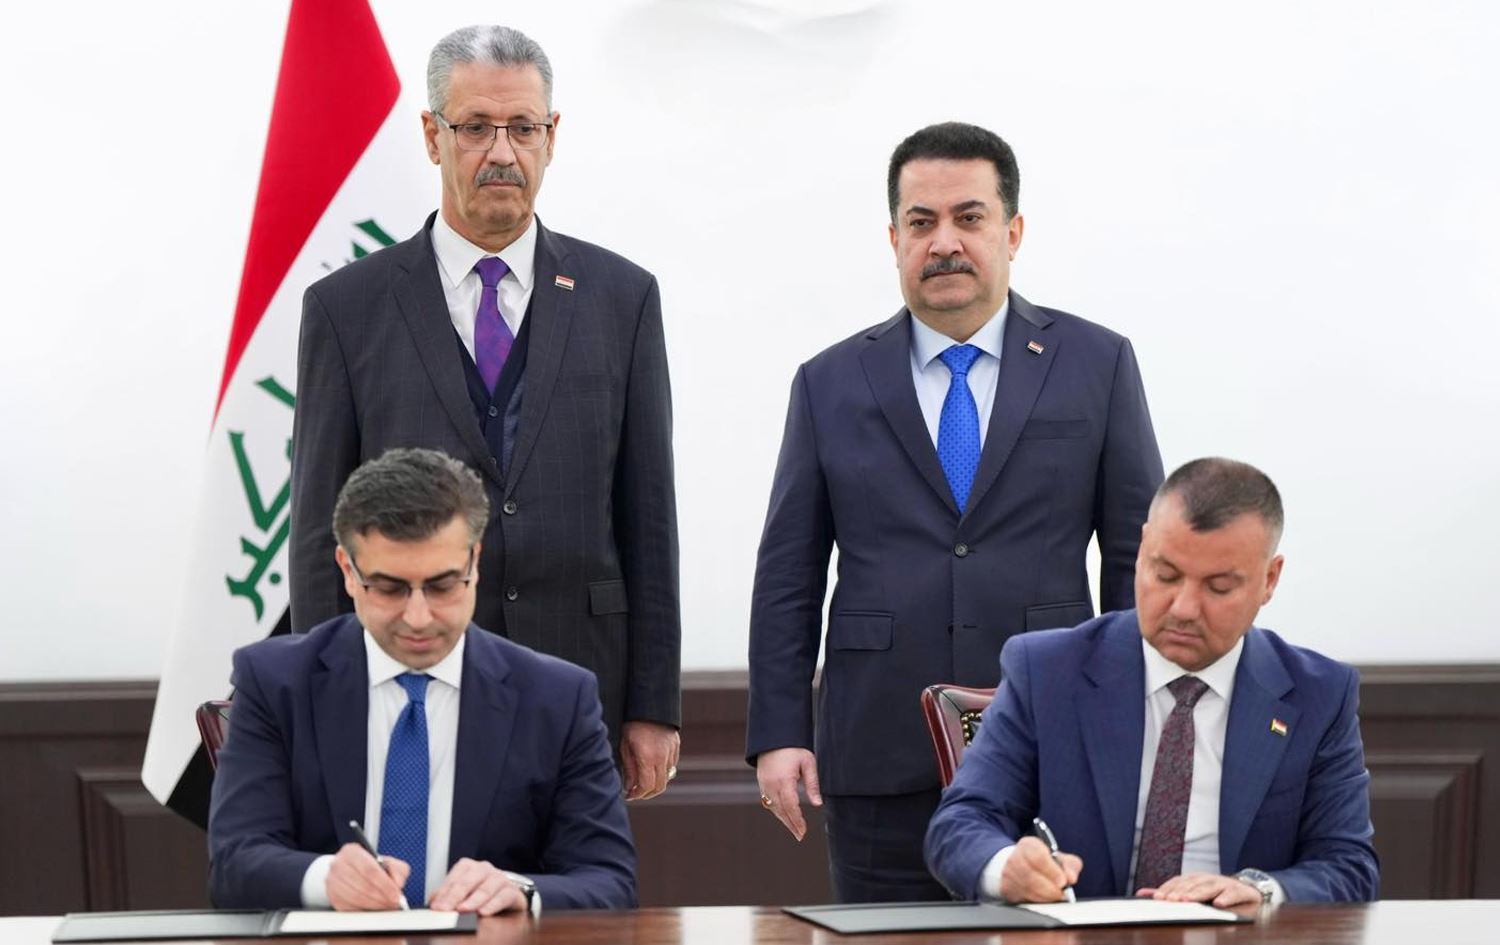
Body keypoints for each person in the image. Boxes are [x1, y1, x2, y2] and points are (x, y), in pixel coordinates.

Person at [747, 121, 1164, 902]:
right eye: (921, 221)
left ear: (1013, 231)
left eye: (969, 217)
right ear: (894, 238)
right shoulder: (829, 381)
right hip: (879, 750)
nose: (945, 242)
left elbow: (1136, 561)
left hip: (1054, 741)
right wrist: (779, 731)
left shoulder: (1097, 364)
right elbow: (788, 574)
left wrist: (1133, 720)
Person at [289, 25, 681, 801]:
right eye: (475, 127)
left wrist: (652, 704)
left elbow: (649, 517)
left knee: (571, 882)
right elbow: (316, 533)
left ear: (551, 137)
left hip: (581, 691)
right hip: (405, 689)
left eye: (522, 128)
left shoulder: (624, 299)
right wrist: (327, 699)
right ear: (432, 135)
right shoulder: (346, 310)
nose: (502, 152)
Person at [925, 458, 1380, 906]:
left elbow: (1348, 866)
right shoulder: (1046, 670)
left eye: (1218, 587)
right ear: (1143, 550)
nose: (1183, 608)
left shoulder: (1318, 695)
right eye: (1166, 575)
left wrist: (1258, 890)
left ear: (1270, 580)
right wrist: (1006, 868)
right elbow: (961, 823)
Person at [210, 448, 637, 912]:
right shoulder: (275, 682)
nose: (418, 617)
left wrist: (521, 890)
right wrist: (325, 878)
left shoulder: (557, 698)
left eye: (442, 585)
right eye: (389, 588)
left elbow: (608, 880)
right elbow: (235, 863)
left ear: (475, 562)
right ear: (348, 571)